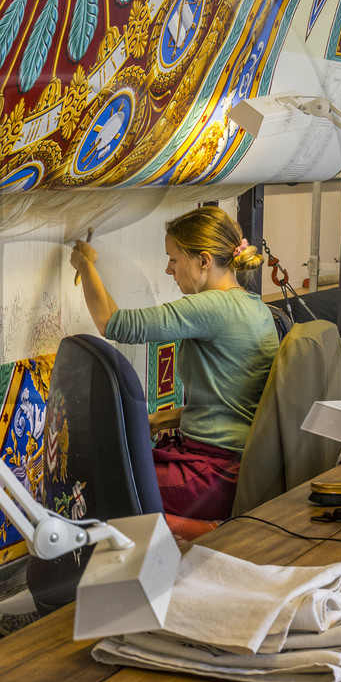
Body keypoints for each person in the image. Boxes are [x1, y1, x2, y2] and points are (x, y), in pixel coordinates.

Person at [69, 205, 280, 520]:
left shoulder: (211, 307)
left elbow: (111, 324)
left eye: (173, 259)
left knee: (98, 485)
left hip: (214, 474)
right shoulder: (255, 306)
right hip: (236, 466)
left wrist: (85, 264)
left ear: (204, 261)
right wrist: (158, 419)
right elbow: (228, 404)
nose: (169, 270)